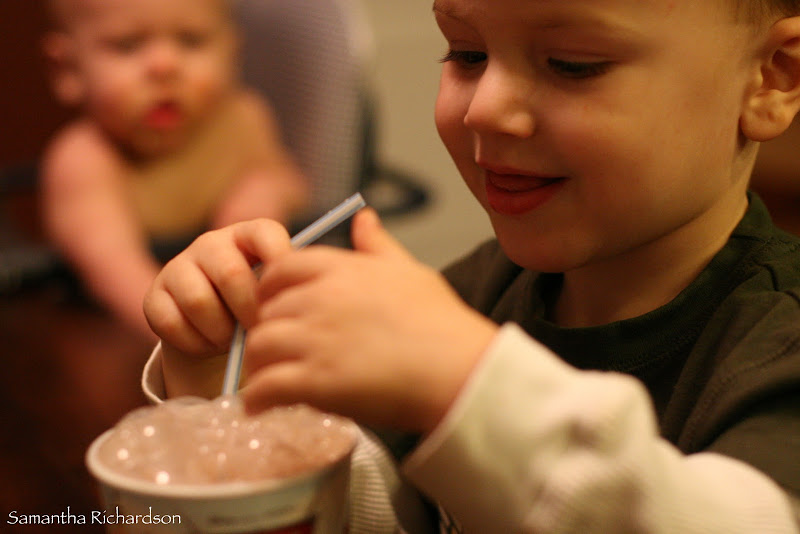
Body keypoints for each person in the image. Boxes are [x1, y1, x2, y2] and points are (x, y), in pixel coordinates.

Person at [142, 0, 800, 532]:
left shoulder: (781, 346)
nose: (483, 107)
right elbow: (389, 513)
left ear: (772, 79)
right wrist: (220, 394)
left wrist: (471, 389)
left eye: (572, 64)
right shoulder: (476, 291)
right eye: (467, 54)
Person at [40, 0, 309, 339]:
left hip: (239, 322)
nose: (164, 66)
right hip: (127, 335)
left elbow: (295, 185)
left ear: (232, 51)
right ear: (67, 69)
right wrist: (197, 337)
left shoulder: (245, 120)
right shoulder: (83, 160)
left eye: (191, 40)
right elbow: (118, 274)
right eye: (127, 45)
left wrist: (266, 191)